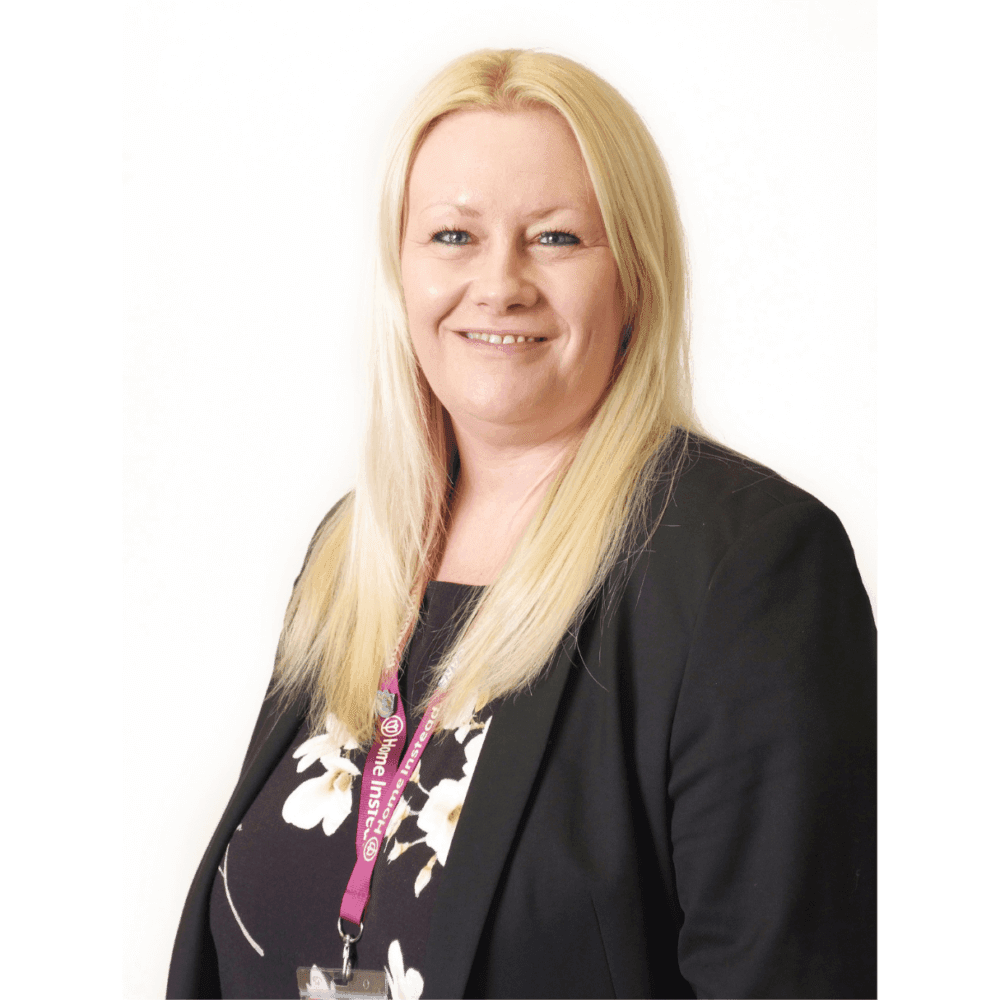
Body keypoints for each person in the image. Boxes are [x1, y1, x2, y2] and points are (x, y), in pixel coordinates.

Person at [166, 49, 875, 1000]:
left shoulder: (748, 568)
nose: (499, 283)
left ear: (636, 277)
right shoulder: (354, 553)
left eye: (556, 237)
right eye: (453, 236)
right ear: (401, 270)